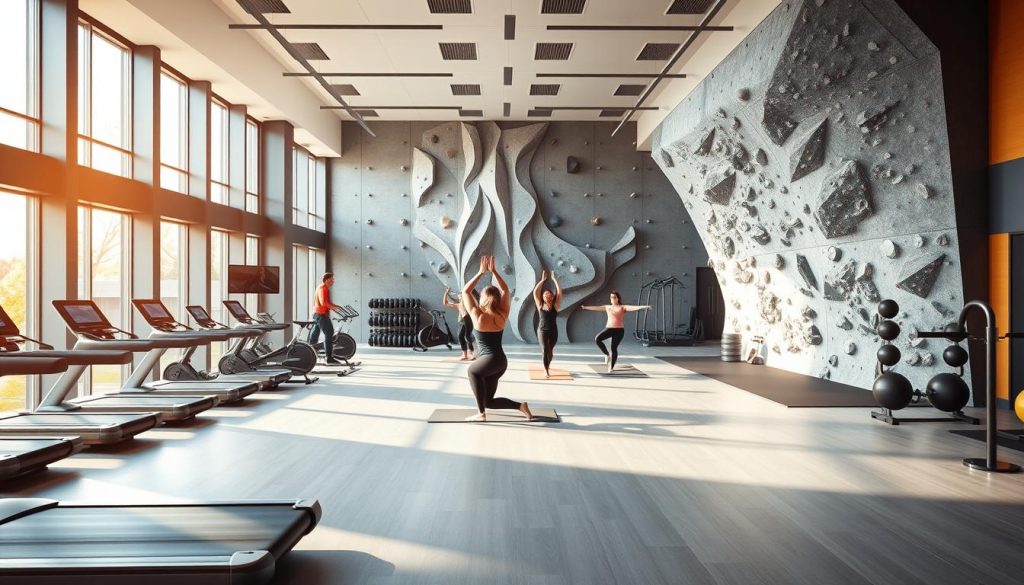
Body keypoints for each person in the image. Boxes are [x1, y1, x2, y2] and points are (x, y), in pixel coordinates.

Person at [462, 255, 533, 422]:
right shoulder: (503, 313)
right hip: (500, 362)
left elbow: (465, 291)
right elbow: (506, 290)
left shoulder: (477, 314)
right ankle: (520, 407)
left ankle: (480, 414)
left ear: (483, 298)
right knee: (488, 401)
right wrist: (494, 272)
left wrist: (481, 273)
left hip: (489, 361)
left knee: (472, 371)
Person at [581, 292, 650, 373]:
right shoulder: (607, 307)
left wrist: (644, 307)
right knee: (598, 339)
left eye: (614, 297)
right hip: (609, 329)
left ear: (618, 298)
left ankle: (611, 367)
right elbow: (597, 308)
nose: (612, 299)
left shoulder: (622, 307)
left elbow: (632, 307)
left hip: (619, 331)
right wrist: (585, 307)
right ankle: (607, 354)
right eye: (611, 297)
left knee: (614, 348)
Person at [532, 270, 563, 378]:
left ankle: (548, 365)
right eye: (545, 294)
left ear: (552, 296)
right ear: (543, 297)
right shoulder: (540, 305)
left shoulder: (555, 305)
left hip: (553, 330)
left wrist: (554, 280)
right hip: (542, 330)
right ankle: (546, 371)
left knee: (550, 352)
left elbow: (559, 291)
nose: (546, 295)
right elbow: (535, 292)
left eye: (549, 294)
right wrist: (542, 280)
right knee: (545, 349)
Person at [309, 272, 343, 364]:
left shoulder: (323, 287)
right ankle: (329, 358)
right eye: (332, 279)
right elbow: (324, 303)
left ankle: (310, 354)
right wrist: (334, 308)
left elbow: (328, 303)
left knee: (315, 334)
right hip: (321, 314)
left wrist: (338, 307)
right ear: (327, 279)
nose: (333, 281)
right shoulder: (323, 288)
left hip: (318, 313)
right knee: (329, 333)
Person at [443, 287, 476, 361]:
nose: (459, 296)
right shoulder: (458, 304)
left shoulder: (468, 303)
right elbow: (445, 303)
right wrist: (446, 293)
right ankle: (466, 354)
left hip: (467, 320)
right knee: (462, 336)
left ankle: (470, 353)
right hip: (463, 321)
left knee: (465, 336)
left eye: (461, 295)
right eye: (459, 295)